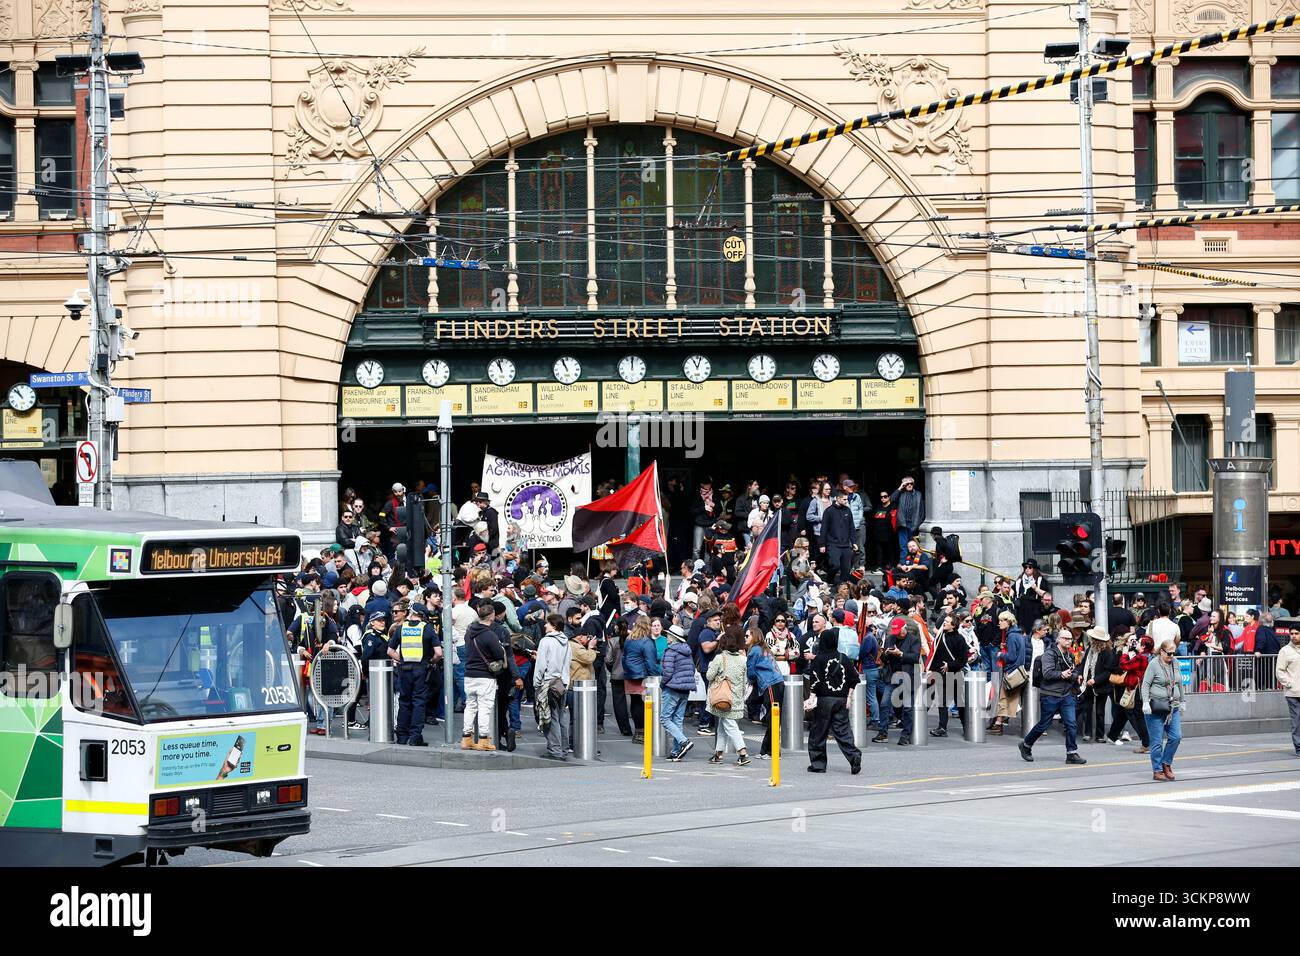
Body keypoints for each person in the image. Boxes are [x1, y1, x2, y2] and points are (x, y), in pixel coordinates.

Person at [1018, 629, 1087, 765]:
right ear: (1059, 639)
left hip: (1066, 694)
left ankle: (1071, 753)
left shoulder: (1070, 655)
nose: (1069, 641)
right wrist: (1061, 674)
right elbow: (1047, 674)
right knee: (1044, 724)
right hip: (1050, 694)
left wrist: (1075, 676)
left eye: (1070, 639)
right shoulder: (1049, 654)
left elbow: (1072, 671)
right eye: (1066, 638)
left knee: (1071, 724)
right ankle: (1026, 745)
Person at [806, 628, 863, 774]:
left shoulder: (819, 658)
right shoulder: (843, 657)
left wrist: (812, 697)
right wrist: (849, 698)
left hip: (824, 700)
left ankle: (818, 764)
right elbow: (854, 679)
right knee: (843, 730)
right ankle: (853, 755)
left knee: (819, 732)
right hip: (841, 699)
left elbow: (815, 681)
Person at [386, 602, 437, 746]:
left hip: (404, 669)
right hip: (421, 669)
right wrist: (431, 660)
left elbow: (390, 651)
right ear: (422, 616)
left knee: (404, 702)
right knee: (419, 702)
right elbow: (438, 652)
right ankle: (415, 737)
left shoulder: (401, 628)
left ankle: (402, 736)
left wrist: (401, 660)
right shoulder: (427, 628)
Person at [461, 601, 507, 751]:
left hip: (469, 674)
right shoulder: (489, 635)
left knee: (470, 706)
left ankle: (466, 738)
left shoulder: (469, 632)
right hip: (485, 676)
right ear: (492, 616)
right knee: (484, 708)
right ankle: (483, 740)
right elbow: (499, 654)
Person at [1142, 637, 1186, 781]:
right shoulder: (1153, 664)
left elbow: (1179, 683)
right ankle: (1157, 770)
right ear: (1161, 651)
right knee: (1156, 742)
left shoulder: (1175, 663)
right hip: (1156, 708)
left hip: (1173, 707)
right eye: (1169, 653)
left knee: (1176, 736)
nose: (1172, 656)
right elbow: (1145, 685)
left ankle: (1166, 763)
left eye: (1174, 653)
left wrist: (1183, 700)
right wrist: (1145, 702)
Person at [705, 629, 751, 766]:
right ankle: (718, 754)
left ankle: (742, 753)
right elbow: (744, 680)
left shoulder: (720, 658)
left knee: (729, 725)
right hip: (736, 697)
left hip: (723, 697)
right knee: (723, 725)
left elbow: (709, 676)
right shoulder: (743, 660)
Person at [533, 613, 572, 761]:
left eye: (547, 623)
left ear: (554, 625)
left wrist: (536, 683)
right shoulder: (566, 641)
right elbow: (567, 662)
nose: (545, 625)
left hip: (549, 683)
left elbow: (541, 665)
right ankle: (563, 749)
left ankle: (555, 750)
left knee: (550, 718)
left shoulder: (546, 641)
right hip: (562, 683)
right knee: (561, 718)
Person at [876, 617, 921, 745]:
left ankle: (905, 735)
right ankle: (882, 732)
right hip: (892, 676)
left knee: (907, 708)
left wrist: (900, 654)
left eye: (899, 631)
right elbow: (883, 659)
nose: (898, 634)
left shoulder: (914, 640)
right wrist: (887, 653)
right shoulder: (890, 639)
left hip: (908, 677)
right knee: (884, 703)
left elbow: (915, 658)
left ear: (904, 628)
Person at [660, 623, 698, 761]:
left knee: (665, 718)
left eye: (668, 635)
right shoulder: (686, 651)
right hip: (685, 689)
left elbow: (667, 672)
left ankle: (684, 741)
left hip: (672, 688)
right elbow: (692, 669)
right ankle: (676, 751)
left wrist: (662, 684)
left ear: (672, 637)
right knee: (678, 719)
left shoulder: (671, 651)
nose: (666, 638)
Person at [746, 626, 785, 758]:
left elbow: (750, 672)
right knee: (774, 717)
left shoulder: (754, 651)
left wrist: (750, 682)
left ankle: (771, 751)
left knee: (772, 718)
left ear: (754, 636)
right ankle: (767, 750)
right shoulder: (765, 649)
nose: (745, 638)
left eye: (747, 636)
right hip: (777, 682)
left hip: (770, 684)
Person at [622, 616, 661, 744]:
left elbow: (624, 657)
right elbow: (650, 661)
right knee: (645, 704)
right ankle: (645, 732)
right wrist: (656, 676)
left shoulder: (629, 639)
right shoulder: (646, 641)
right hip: (642, 676)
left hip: (630, 674)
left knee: (635, 702)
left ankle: (638, 732)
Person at [928, 613, 968, 737]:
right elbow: (934, 656)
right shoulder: (940, 636)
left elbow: (963, 660)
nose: (944, 623)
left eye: (947, 621)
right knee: (942, 701)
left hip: (954, 674)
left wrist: (949, 665)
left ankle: (966, 726)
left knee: (959, 702)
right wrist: (930, 670)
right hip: (940, 675)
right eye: (944, 620)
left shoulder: (959, 639)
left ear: (954, 625)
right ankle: (942, 727)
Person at [989, 611, 1027, 735]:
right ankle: (998, 723)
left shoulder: (1011, 636)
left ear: (1009, 622)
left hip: (1011, 671)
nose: (999, 623)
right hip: (1017, 670)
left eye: (1002, 620)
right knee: (1009, 699)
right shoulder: (1017, 634)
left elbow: (1011, 657)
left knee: (1004, 698)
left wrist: (1001, 654)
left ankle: (998, 724)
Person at [1077, 626, 1114, 742]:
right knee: (1087, 709)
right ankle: (1087, 733)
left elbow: (1108, 671)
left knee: (1099, 711)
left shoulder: (1107, 652)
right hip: (1088, 684)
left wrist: (1096, 680)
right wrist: (1080, 674)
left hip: (1101, 686)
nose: (1091, 639)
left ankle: (1099, 735)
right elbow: (1083, 664)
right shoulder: (1089, 649)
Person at [819, 487, 858, 585]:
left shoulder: (847, 511)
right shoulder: (829, 511)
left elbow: (851, 528)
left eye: (847, 499)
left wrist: (854, 542)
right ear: (837, 498)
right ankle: (829, 581)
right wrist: (822, 544)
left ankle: (842, 588)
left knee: (846, 569)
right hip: (833, 544)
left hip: (846, 545)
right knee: (835, 565)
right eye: (844, 499)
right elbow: (823, 528)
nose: (846, 501)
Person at [1277, 625, 1300, 757]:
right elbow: (1279, 671)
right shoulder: (1285, 651)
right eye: (1291, 633)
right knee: (1296, 720)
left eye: (1296, 633)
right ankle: (1298, 747)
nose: (1293, 636)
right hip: (1293, 692)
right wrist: (1289, 684)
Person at [889, 476, 924, 561]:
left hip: (914, 524)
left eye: (911, 483)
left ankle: (914, 564)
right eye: (907, 484)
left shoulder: (918, 494)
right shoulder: (900, 493)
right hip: (902, 523)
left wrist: (920, 523)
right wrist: (900, 488)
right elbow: (891, 499)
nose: (909, 485)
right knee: (903, 546)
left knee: (914, 546)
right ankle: (903, 564)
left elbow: (922, 510)